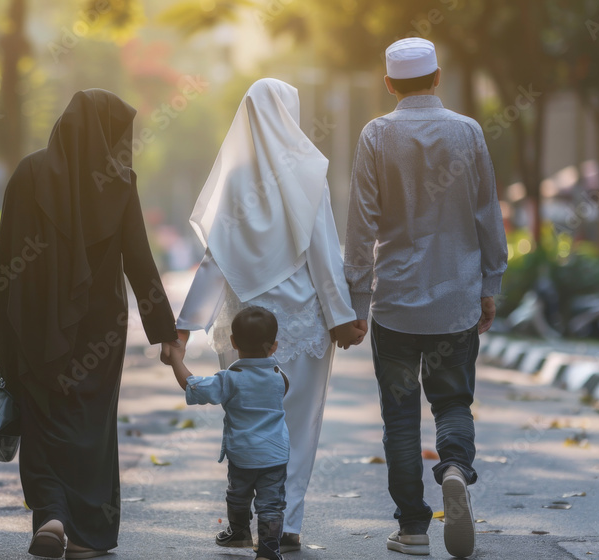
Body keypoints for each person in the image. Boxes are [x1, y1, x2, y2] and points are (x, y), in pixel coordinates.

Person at [167, 78, 365, 551]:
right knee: (298, 425)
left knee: (247, 419)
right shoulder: (308, 172)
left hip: (242, 325)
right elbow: (322, 251)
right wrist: (342, 314)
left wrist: (184, 326)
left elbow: (216, 260)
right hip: (300, 322)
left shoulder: (234, 178)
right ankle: (286, 524)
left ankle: (242, 520)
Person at [0, 89, 178, 559]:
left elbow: (4, 264)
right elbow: (139, 262)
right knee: (89, 429)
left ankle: (51, 513)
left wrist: (3, 332)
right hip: (99, 334)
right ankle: (86, 535)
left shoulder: (28, 173)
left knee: (42, 423)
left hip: (33, 326)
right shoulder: (120, 183)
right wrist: (165, 332)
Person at [343, 38, 508, 558]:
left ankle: (413, 528)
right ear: (438, 77)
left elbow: (360, 225)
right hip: (456, 300)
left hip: (394, 305)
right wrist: (490, 284)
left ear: (389, 83)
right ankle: (455, 467)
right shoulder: (468, 132)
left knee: (399, 415)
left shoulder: (375, 135)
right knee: (453, 401)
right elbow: (487, 214)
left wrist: (356, 301)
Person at [165, 306, 290, 560]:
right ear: (274, 346)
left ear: (233, 342)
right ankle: (269, 547)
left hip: (243, 453)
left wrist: (176, 360)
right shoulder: (280, 377)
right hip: (275, 455)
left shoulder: (230, 379)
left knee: (238, 495)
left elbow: (193, 387)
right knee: (272, 503)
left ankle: (239, 532)